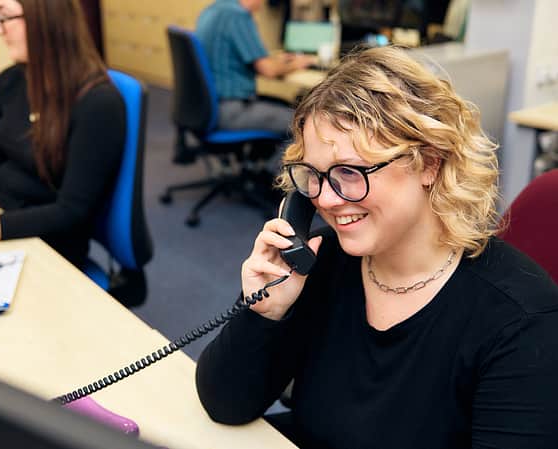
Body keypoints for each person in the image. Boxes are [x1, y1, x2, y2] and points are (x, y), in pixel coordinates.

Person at [195, 46, 558, 448]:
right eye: (313, 175)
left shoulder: (520, 317)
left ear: (429, 164)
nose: (326, 200)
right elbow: (225, 404)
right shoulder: (320, 260)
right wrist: (266, 311)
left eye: (350, 172)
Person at [0, 0, 125, 268]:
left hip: (50, 245)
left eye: (4, 17)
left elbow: (70, 213)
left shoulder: (99, 103)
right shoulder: (9, 82)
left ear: (45, 19)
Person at [195, 0, 316, 135]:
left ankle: (259, 153)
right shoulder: (237, 16)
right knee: (302, 123)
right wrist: (297, 64)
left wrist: (276, 60)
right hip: (230, 110)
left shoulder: (212, 10)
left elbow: (233, 56)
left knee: (284, 105)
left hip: (204, 106)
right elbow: (269, 70)